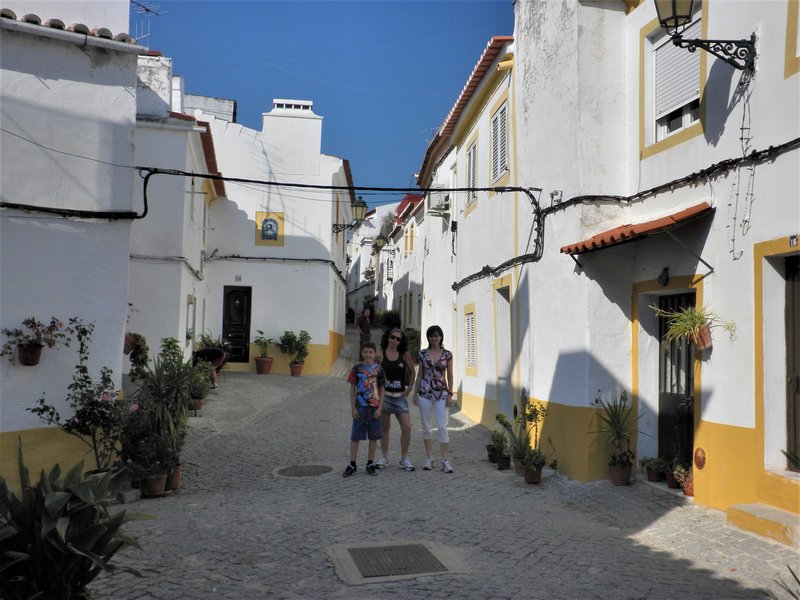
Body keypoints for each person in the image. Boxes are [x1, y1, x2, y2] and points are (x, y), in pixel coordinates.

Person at [413, 325, 455, 473]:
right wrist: (414, 393)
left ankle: (445, 460)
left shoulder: (447, 354)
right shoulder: (423, 353)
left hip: (442, 394)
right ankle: (429, 458)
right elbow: (420, 374)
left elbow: (450, 375)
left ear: (441, 337)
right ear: (428, 338)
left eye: (437, 336)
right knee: (426, 427)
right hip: (424, 393)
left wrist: (450, 393)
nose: (434, 338)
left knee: (443, 427)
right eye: (431, 336)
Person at [376, 328, 416, 471]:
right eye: (392, 337)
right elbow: (373, 373)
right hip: (385, 397)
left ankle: (404, 458)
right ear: (388, 337)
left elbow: (412, 371)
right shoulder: (380, 355)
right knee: (385, 428)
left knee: (407, 427)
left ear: (401, 342)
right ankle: (384, 457)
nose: (395, 341)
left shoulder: (404, 354)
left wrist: (409, 388)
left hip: (399, 398)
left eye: (398, 339)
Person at [343, 342, 385, 477]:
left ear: (375, 353)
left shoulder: (379, 369)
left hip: (374, 408)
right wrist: (352, 407)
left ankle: (370, 463)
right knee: (355, 436)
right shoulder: (357, 368)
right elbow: (352, 388)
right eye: (365, 351)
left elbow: (382, 389)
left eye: (371, 352)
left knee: (374, 436)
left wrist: (380, 408)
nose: (368, 354)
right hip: (360, 407)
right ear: (362, 353)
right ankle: (352, 464)